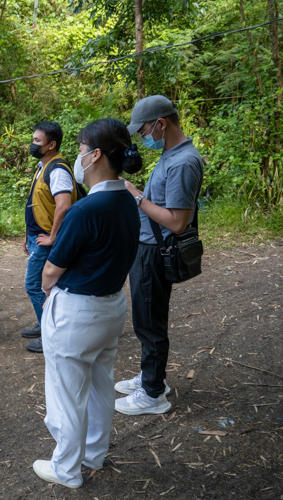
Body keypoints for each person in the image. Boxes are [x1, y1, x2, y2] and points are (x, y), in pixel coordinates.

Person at [32, 118, 142, 489]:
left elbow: (51, 270)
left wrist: (48, 289)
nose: (78, 159)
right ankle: (94, 452)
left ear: (95, 155)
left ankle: (67, 469)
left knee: (67, 394)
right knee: (99, 384)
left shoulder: (85, 211)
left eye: (80, 152)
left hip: (77, 313)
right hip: (112, 306)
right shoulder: (128, 200)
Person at [114, 95, 204, 416]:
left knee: (150, 323)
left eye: (144, 131)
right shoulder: (171, 155)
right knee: (145, 318)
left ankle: (153, 394)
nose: (142, 138)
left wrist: (136, 195)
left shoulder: (183, 162)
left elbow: (177, 222)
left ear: (161, 124)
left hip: (156, 251)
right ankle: (152, 377)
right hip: (146, 247)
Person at [21, 122, 79, 353]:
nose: (32, 144)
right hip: (37, 235)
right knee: (43, 286)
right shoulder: (43, 165)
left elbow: (63, 206)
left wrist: (53, 237)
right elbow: (37, 202)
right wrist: (28, 234)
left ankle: (50, 334)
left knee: (34, 284)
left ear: (51, 145)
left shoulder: (57, 169)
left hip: (47, 238)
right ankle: (43, 321)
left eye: (37, 141)